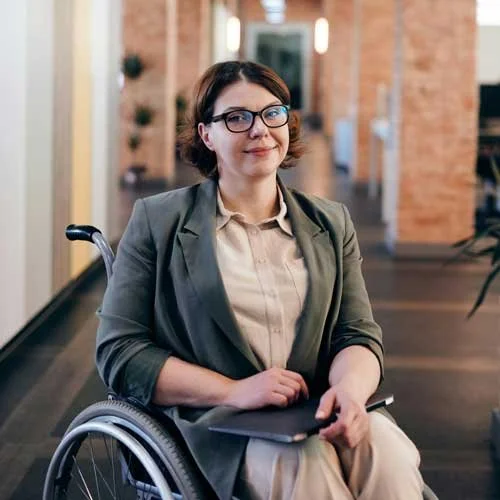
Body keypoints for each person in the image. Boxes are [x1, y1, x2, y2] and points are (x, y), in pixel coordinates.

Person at [96, 60, 424, 500]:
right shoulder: (159, 221)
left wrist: (349, 390)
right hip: (221, 423)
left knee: (389, 455)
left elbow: (356, 333)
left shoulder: (330, 222)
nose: (260, 129)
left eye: (273, 113)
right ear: (206, 134)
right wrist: (235, 391)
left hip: (316, 410)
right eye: (237, 117)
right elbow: (120, 351)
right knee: (305, 467)